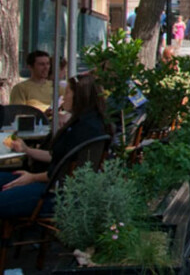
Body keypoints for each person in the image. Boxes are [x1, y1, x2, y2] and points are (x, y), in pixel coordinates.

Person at [0, 74, 112, 218]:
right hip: (50, 183)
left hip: (57, 194)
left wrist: (32, 178)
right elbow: (59, 157)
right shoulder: (85, 122)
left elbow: (67, 173)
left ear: (80, 96)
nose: (63, 97)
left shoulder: (86, 128)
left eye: (67, 92)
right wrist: (27, 150)